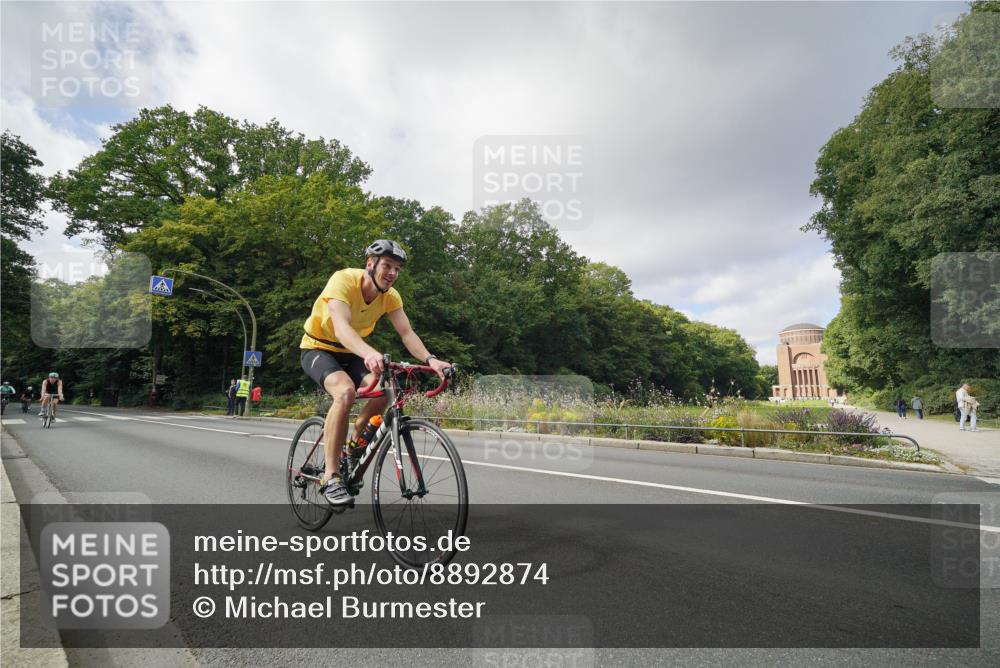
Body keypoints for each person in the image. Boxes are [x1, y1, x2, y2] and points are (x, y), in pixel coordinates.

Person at [300, 239, 452, 506]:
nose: (392, 273)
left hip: (353, 352)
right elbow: (342, 328)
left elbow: (407, 333)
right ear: (370, 265)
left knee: (383, 392)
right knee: (345, 392)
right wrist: (369, 352)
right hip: (319, 348)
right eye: (387, 266)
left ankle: (353, 447)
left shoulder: (390, 297)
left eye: (397, 269)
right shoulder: (344, 280)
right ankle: (331, 475)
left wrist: (431, 359)